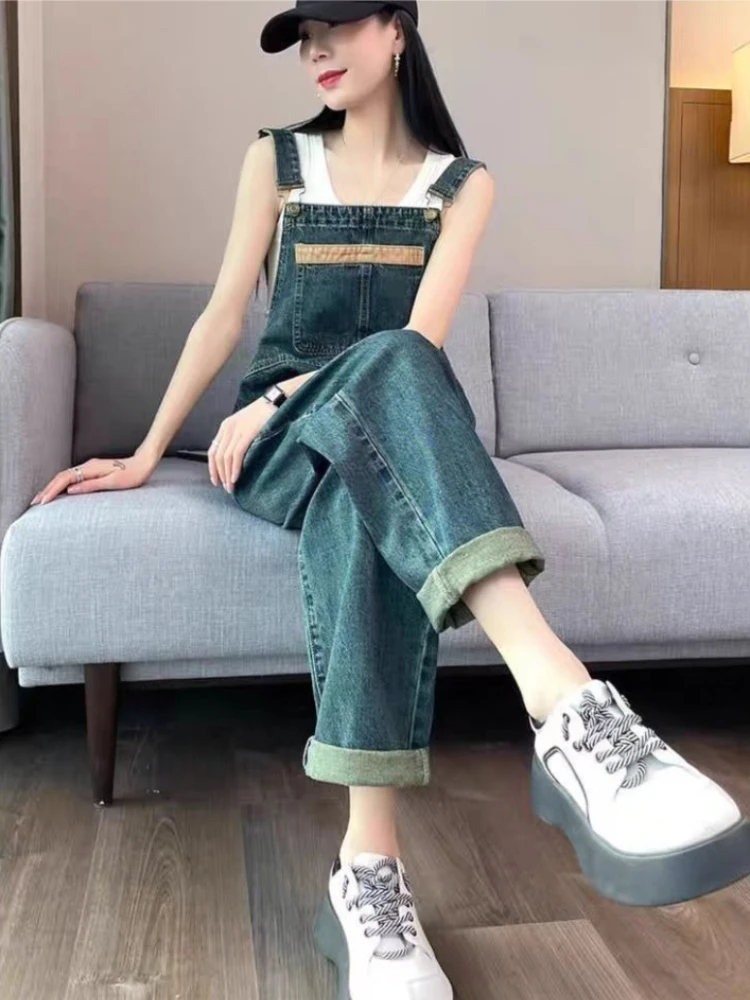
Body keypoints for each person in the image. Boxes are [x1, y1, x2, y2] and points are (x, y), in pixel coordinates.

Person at [31, 2, 750, 997]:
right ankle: (569, 705)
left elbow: (418, 343)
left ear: (399, 29)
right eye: (303, 36)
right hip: (277, 441)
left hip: (378, 439)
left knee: (370, 476)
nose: (317, 50)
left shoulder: (463, 185)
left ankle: (367, 870)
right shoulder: (276, 162)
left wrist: (294, 389)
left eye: (338, 23)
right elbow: (224, 314)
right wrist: (150, 451)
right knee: (384, 395)